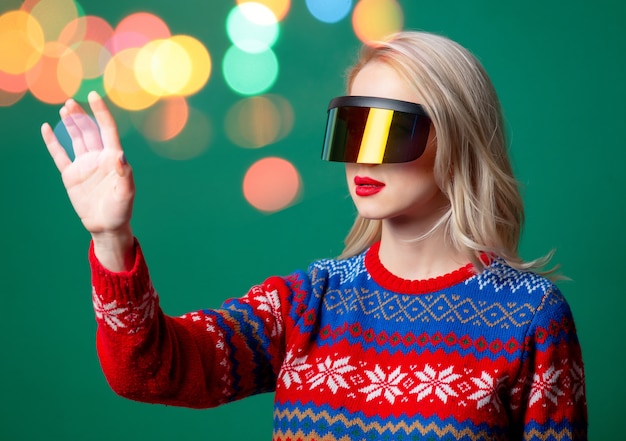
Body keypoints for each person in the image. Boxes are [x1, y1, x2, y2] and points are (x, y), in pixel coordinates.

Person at [42, 31, 588, 440]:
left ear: (458, 138)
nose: (362, 156)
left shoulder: (531, 316)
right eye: (351, 128)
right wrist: (112, 236)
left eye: (389, 128)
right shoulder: (306, 304)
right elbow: (151, 372)